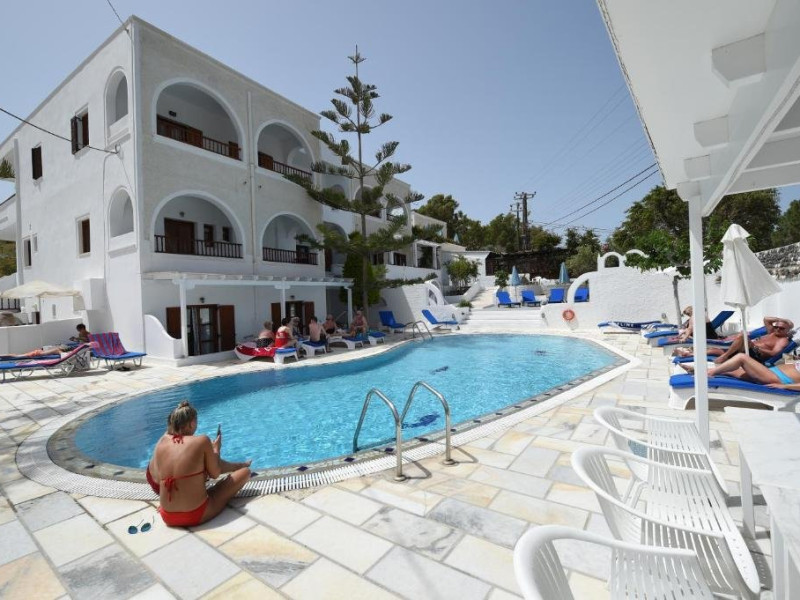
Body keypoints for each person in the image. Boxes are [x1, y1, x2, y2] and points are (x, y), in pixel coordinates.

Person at [146, 401, 251, 527]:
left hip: (167, 516)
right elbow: (215, 473)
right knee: (245, 473)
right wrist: (216, 449)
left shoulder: (161, 442)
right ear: (191, 423)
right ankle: (240, 467)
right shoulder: (202, 441)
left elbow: (159, 480)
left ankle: (237, 466)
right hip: (195, 514)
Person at [673, 316, 793, 363]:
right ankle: (689, 354)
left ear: (787, 331)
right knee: (715, 350)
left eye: (782, 328)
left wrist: (754, 346)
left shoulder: (782, 340)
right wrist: (783, 320)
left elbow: (773, 353)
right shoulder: (772, 332)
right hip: (748, 349)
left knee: (742, 336)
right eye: (776, 326)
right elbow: (766, 318)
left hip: (756, 355)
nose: (777, 329)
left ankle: (725, 357)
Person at [684, 352, 800, 388]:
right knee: (729, 370)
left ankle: (708, 373)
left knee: (741, 357)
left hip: (777, 378)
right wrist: (795, 358)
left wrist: (784, 386)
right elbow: (784, 359)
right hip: (771, 371)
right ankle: (699, 370)